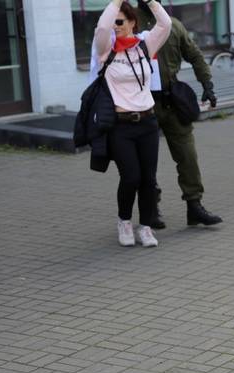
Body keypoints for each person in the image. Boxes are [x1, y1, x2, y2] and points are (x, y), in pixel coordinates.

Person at [135, 0, 223, 229]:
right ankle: (150, 207)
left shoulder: (173, 25)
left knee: (188, 155)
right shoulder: (130, 22)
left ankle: (194, 205)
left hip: (171, 101)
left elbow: (194, 55)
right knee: (146, 160)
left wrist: (207, 85)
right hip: (143, 103)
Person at [93, 0, 171, 248]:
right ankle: (124, 221)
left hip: (147, 122)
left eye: (120, 22)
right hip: (121, 125)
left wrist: (151, 2)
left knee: (148, 179)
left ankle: (145, 227)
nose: (115, 27)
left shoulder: (144, 46)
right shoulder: (107, 49)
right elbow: (102, 29)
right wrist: (115, 3)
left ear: (132, 23)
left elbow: (165, 23)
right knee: (131, 178)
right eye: (114, 22)